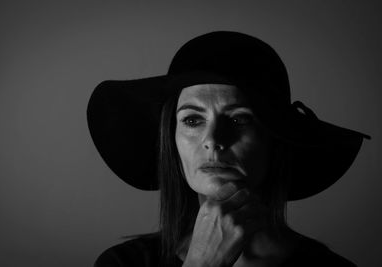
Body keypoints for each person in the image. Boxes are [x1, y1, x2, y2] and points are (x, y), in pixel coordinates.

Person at [87, 31, 370, 267]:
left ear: (275, 138)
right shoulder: (124, 263)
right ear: (171, 139)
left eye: (238, 119)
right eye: (192, 120)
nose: (213, 139)